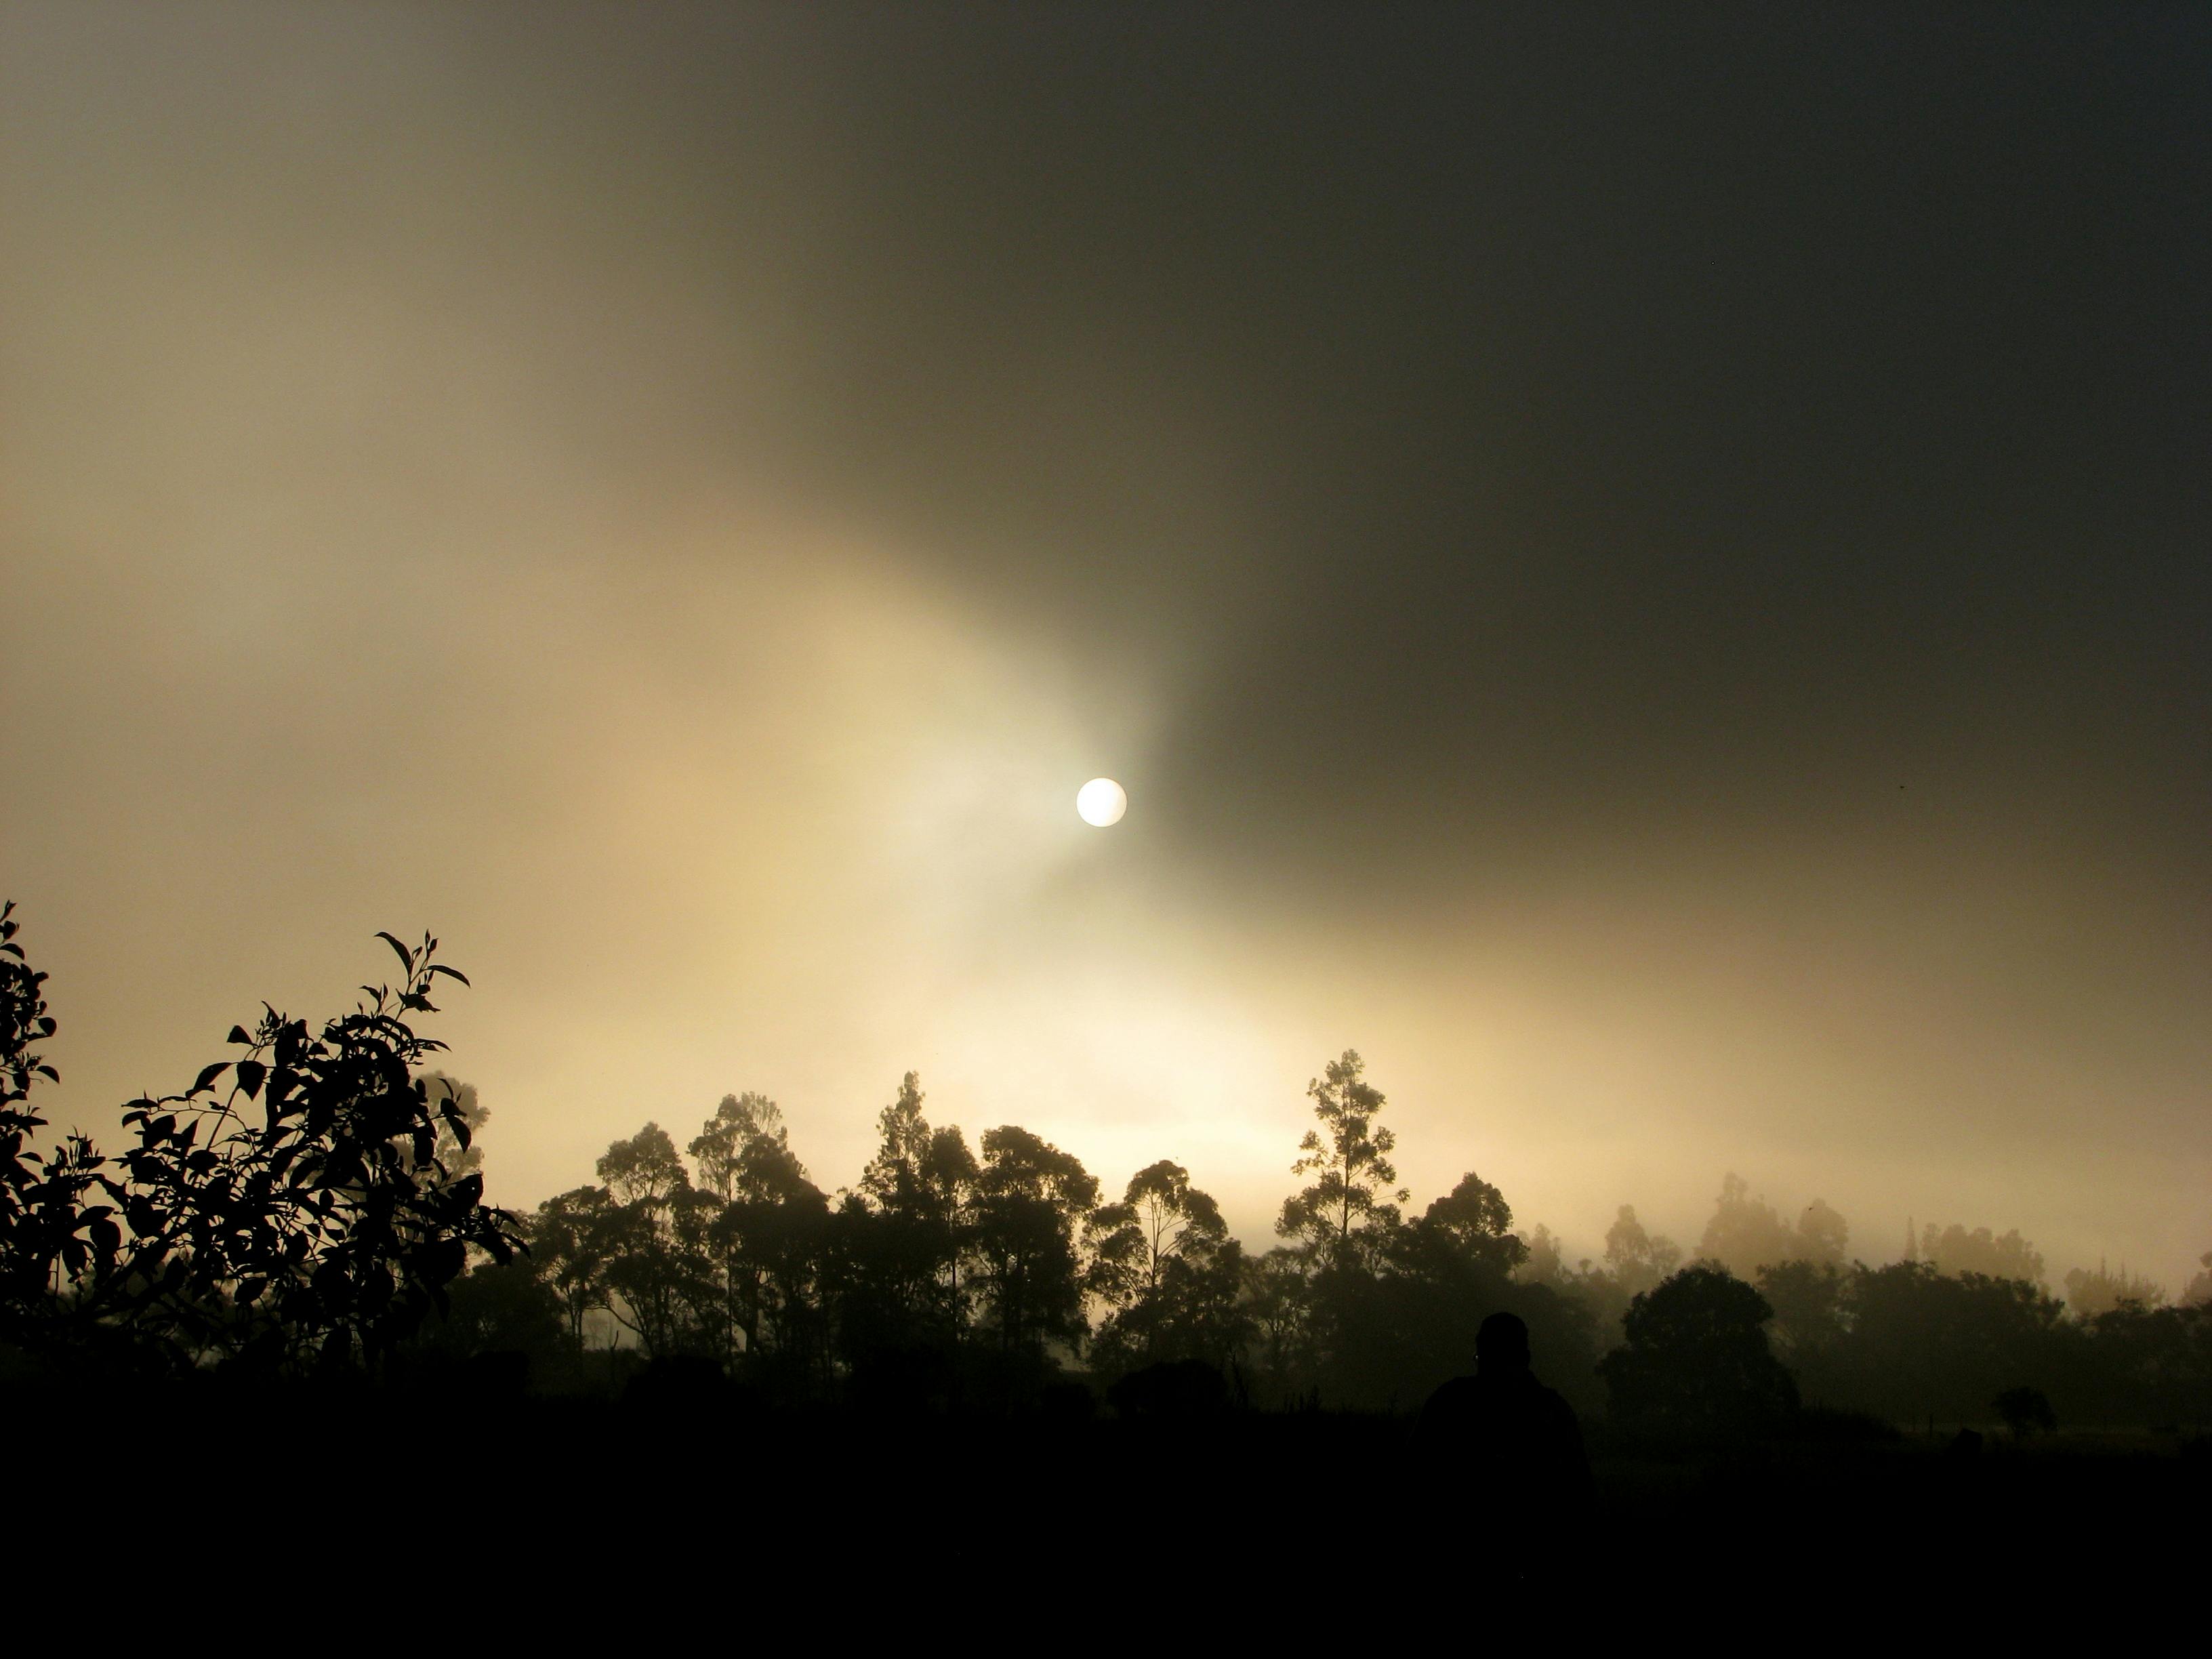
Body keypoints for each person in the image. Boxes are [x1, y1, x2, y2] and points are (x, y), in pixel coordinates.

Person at [1413, 1311, 1593, 1543]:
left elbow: (1414, 1477)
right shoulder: (1553, 1411)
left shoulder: (1450, 1402)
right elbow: (1581, 1496)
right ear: (1526, 1358)